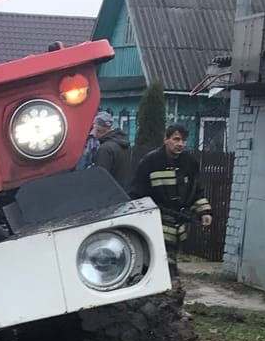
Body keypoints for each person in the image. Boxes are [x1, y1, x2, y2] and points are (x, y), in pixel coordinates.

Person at [129, 122, 213, 270]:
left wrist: (204, 212)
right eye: (176, 139)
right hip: (155, 219)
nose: (180, 144)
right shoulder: (151, 161)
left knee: (169, 259)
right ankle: (171, 286)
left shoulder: (190, 163)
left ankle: (170, 286)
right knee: (157, 260)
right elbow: (137, 192)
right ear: (165, 140)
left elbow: (196, 191)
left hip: (178, 222)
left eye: (183, 140)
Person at [88, 114, 135, 190]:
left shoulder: (105, 149)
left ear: (98, 128)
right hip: (124, 193)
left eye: (94, 127)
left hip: (109, 196)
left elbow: (100, 178)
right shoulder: (126, 146)